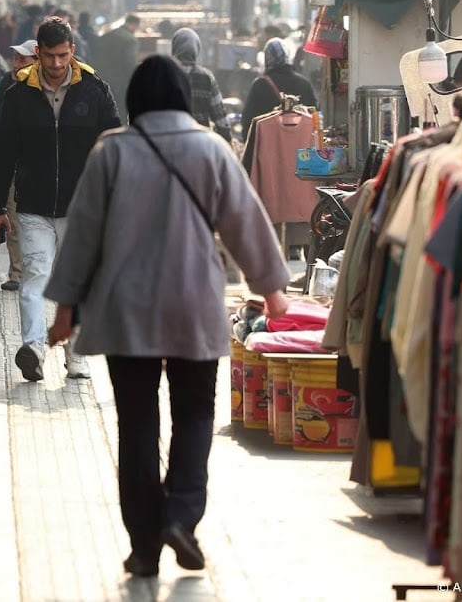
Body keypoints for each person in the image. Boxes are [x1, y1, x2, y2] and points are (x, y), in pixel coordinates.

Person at [44, 55, 290, 577]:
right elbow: (245, 222)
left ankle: (143, 547)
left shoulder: (110, 153)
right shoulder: (211, 149)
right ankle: (180, 514)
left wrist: (65, 308)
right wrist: (272, 293)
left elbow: (82, 235)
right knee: (195, 414)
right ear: (183, 96)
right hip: (192, 305)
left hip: (125, 310)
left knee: (136, 425)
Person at [0, 16, 121, 382]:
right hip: (33, 208)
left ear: (72, 51)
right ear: (37, 53)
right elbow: (4, 155)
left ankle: (76, 356)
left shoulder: (94, 90)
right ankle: (33, 349)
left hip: (82, 208)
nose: (57, 64)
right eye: (49, 57)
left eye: (63, 56)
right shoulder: (18, 96)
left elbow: (113, 147)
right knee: (35, 277)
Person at [0, 39, 38, 292]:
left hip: (40, 166)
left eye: (23, 60)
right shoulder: (6, 83)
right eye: (16, 59)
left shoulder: (46, 89)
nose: (17, 64)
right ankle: (16, 273)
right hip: (12, 162)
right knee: (13, 218)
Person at [240, 37, 318, 138]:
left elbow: (248, 123)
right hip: (301, 147)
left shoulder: (260, 85)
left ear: (267, 58)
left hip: (269, 147)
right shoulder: (304, 84)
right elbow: (315, 119)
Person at [171, 27, 232, 141]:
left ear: (175, 47)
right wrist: (227, 139)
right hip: (200, 142)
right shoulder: (206, 77)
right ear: (196, 48)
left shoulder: (165, 74)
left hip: (170, 142)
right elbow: (220, 116)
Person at [96, 13, 140, 119]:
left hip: (104, 79)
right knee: (121, 112)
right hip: (122, 82)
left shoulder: (106, 35)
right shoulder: (130, 40)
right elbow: (129, 64)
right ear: (134, 25)